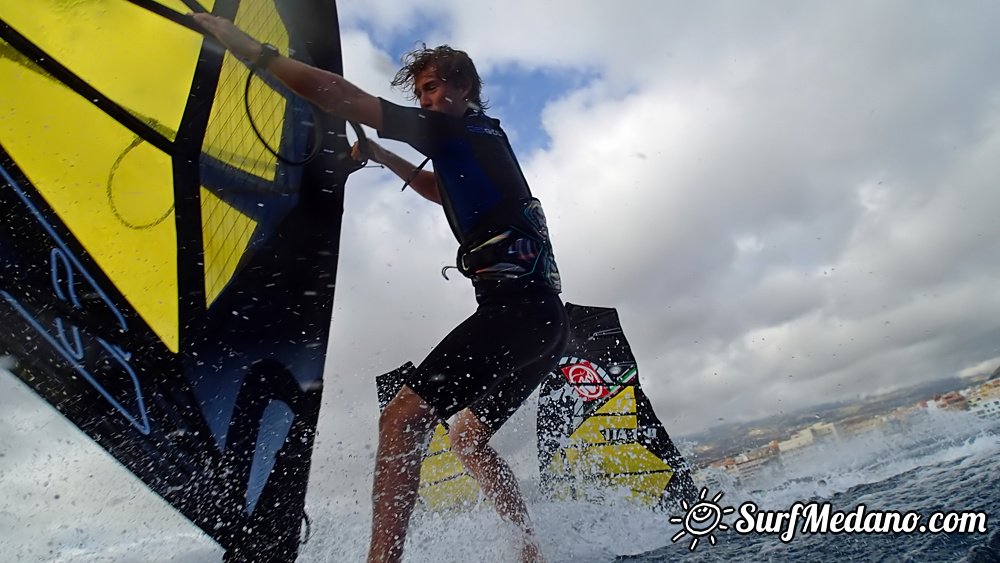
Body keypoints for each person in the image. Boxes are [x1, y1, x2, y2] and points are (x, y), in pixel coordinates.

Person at [193, 13, 568, 563]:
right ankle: (531, 552)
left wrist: (255, 52)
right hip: (544, 322)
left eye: (435, 86)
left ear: (465, 87)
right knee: (466, 437)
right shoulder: (485, 138)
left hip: (516, 314)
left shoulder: (449, 127)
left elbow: (340, 95)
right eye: (421, 91)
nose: (428, 98)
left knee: (401, 416)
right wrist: (384, 155)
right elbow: (442, 190)